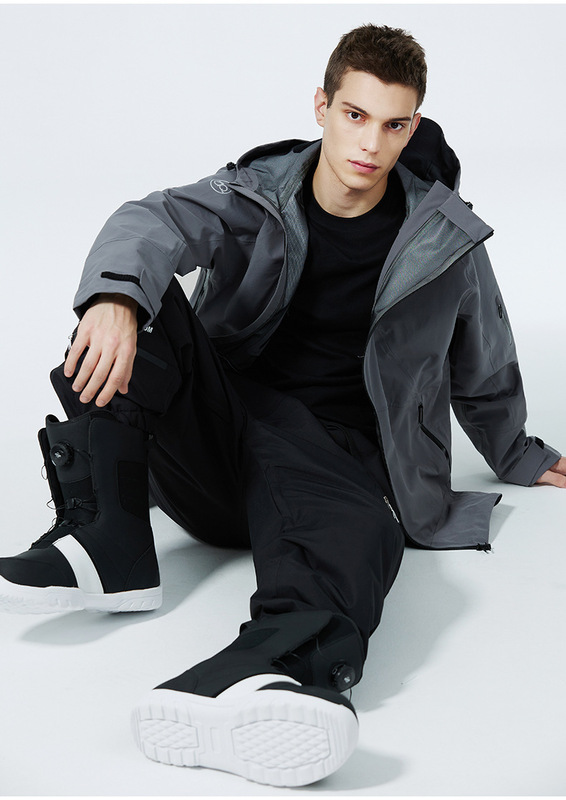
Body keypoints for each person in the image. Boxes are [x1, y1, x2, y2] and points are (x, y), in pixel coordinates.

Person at [0, 23, 564, 787]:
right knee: (137, 296)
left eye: (394, 124)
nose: (371, 143)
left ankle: (276, 672)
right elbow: (154, 220)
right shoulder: (257, 195)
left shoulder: (443, 236)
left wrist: (517, 450)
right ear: (322, 107)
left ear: (413, 128)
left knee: (364, 528)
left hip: (335, 454)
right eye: (355, 115)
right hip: (221, 439)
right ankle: (106, 539)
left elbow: (483, 348)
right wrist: (113, 299)